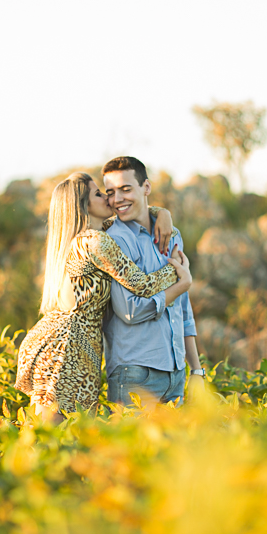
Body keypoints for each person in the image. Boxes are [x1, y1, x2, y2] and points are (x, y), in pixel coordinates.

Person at [14, 172, 193, 420]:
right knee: (50, 437)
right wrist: (178, 271)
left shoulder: (97, 234)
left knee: (67, 438)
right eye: (100, 194)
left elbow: (135, 213)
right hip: (65, 347)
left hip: (76, 344)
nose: (110, 199)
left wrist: (162, 213)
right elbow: (141, 285)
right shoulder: (94, 241)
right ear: (83, 205)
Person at [102, 156, 204, 407]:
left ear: (146, 188)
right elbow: (129, 311)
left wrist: (196, 370)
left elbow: (183, 309)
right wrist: (181, 285)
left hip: (176, 373)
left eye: (126, 189)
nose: (118, 199)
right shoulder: (114, 241)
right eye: (111, 192)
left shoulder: (172, 234)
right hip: (135, 372)